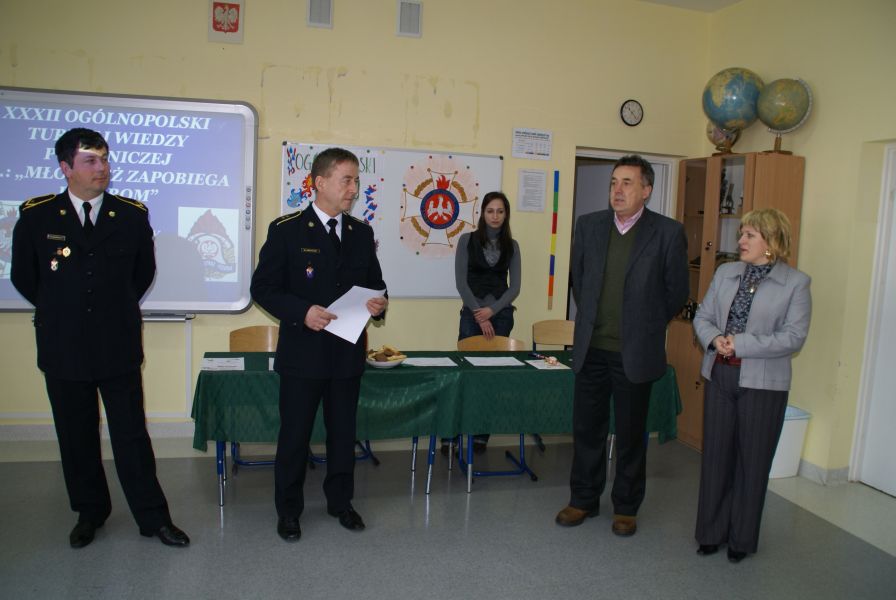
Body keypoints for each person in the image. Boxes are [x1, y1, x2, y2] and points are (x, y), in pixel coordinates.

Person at [10, 128, 189, 548]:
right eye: (91, 160)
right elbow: (25, 276)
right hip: (63, 344)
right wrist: (64, 310)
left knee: (131, 435)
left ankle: (153, 517)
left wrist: (111, 311)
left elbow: (141, 274)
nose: (102, 168)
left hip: (116, 344)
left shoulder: (130, 215)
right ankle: (89, 513)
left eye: (105, 159)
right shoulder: (37, 216)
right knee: (76, 435)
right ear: (65, 167)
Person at [251, 147, 388, 542]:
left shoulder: (361, 233)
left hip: (346, 355)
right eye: (347, 180)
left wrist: (380, 303)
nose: (354, 189)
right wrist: (302, 312)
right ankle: (288, 511)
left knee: (343, 435)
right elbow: (263, 288)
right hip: (303, 355)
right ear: (320, 182)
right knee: (295, 437)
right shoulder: (287, 230)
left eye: (356, 180)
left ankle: (341, 503)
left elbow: (376, 285)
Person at [555, 154, 688, 537]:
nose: (618, 190)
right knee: (587, 430)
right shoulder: (589, 226)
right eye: (614, 182)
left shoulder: (667, 233)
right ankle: (583, 499)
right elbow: (579, 280)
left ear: (646, 190)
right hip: (592, 349)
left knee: (630, 434)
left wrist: (646, 325)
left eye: (627, 183)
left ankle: (626, 507)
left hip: (635, 352)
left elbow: (676, 292)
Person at [692, 208, 811, 563]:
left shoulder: (796, 284)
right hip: (720, 374)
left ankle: (741, 540)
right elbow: (703, 316)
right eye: (741, 233)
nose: (740, 241)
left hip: (764, 384)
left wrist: (740, 344)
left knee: (752, 463)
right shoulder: (725, 272)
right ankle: (710, 533)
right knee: (716, 458)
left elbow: (793, 337)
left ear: (771, 242)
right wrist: (715, 339)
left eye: (749, 235)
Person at [445, 191, 521, 455]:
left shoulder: (513, 246)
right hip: (471, 313)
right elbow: (461, 283)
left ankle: (480, 434)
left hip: (501, 315)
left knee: (490, 379)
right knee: (465, 375)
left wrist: (492, 311)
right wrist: (480, 313)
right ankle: (452, 435)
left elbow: (515, 288)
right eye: (490, 211)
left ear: (506, 214)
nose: (495, 216)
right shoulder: (467, 240)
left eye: (500, 211)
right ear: (482, 213)